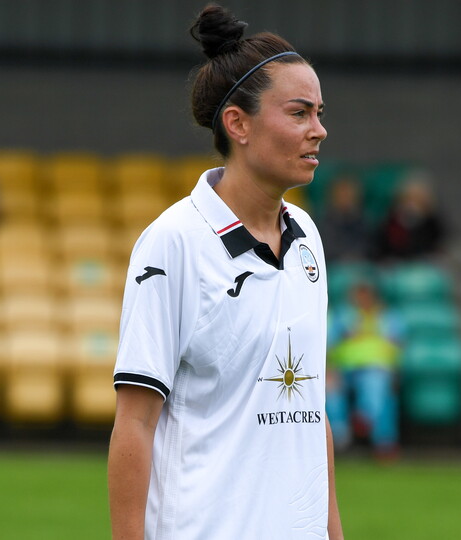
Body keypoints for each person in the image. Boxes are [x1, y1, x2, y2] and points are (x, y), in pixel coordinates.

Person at [108, 5, 343, 539]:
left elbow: (310, 407)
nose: (320, 131)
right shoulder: (173, 243)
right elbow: (136, 423)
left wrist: (331, 531)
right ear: (238, 123)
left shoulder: (307, 237)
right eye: (300, 113)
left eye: (320, 113)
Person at [326, 281, 404, 460]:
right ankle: (339, 438)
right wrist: (330, 369)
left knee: (377, 387)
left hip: (378, 369)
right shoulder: (343, 317)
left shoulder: (388, 317)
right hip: (343, 369)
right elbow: (329, 345)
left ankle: (370, 425)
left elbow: (399, 345)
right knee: (330, 390)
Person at [372, 172, 445, 261]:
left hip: (424, 263)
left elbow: (437, 245)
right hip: (395, 264)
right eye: (410, 197)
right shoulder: (391, 220)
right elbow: (381, 246)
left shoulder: (432, 222)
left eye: (418, 198)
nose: (412, 203)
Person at [317, 172, 371, 262]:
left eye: (349, 194)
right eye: (342, 194)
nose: (346, 198)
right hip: (334, 268)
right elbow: (327, 250)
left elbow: (369, 249)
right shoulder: (323, 224)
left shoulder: (363, 223)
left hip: (360, 266)